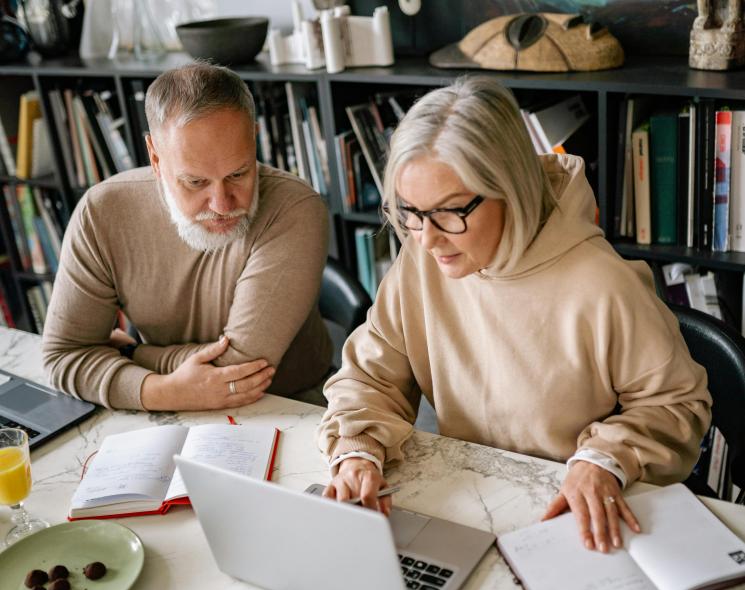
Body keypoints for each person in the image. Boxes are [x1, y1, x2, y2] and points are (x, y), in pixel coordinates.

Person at [317, 76, 712, 552]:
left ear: (510, 189)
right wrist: (357, 449)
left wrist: (602, 459)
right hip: (474, 507)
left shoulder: (602, 283)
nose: (426, 238)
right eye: (410, 212)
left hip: (575, 516)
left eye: (449, 212)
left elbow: (677, 405)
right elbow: (370, 377)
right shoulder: (422, 256)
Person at [42, 62, 333, 411]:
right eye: (195, 182)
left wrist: (132, 353)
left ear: (254, 139)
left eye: (238, 173)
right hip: (164, 408)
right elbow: (63, 356)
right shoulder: (102, 213)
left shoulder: (294, 208)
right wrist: (162, 390)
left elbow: (240, 371)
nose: (222, 204)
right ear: (155, 157)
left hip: (291, 405)